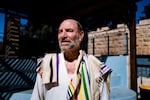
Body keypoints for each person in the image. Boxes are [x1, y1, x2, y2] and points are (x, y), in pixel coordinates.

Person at [30, 18, 112, 100]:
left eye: (69, 30)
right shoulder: (47, 64)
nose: (63, 35)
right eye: (60, 31)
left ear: (80, 35)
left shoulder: (96, 68)